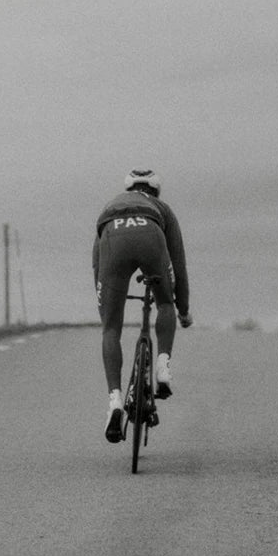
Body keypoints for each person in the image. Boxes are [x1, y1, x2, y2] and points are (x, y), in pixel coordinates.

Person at [93, 169, 193, 443]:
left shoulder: (111, 205)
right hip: (151, 235)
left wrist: (105, 310)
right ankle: (163, 365)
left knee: (111, 330)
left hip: (113, 237)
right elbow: (178, 263)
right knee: (163, 303)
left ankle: (114, 402)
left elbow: (96, 263)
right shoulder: (161, 208)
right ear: (156, 192)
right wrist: (182, 309)